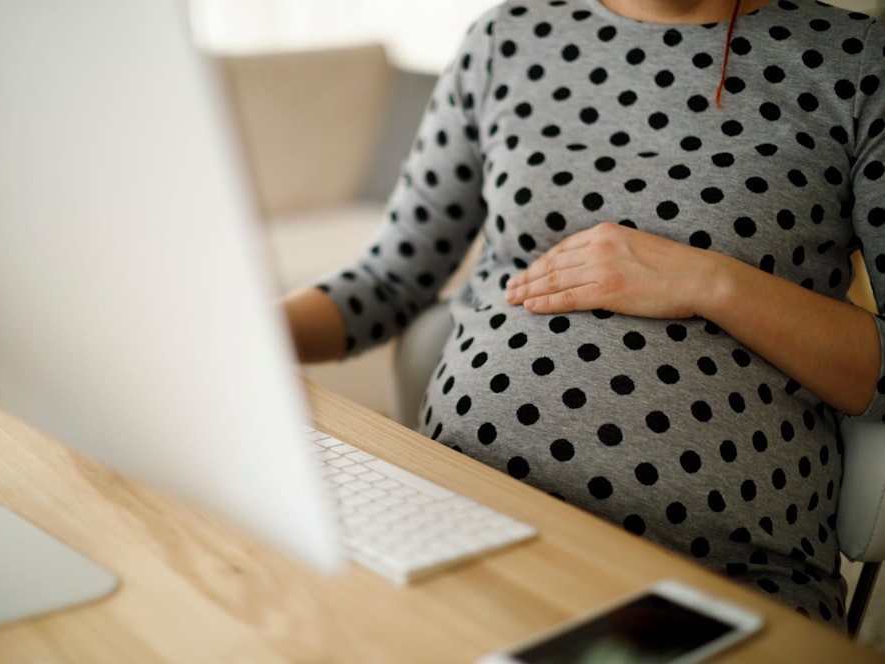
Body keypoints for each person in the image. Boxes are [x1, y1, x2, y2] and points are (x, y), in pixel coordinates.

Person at [283, 0, 885, 630]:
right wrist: (229, 333)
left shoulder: (855, 62)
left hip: (712, 576)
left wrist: (712, 282)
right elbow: (388, 278)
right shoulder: (505, 40)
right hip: (454, 524)